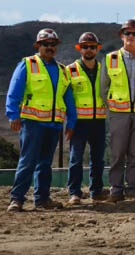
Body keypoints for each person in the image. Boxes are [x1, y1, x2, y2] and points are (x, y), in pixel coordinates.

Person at [6, 28, 77, 212]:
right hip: (32, 123)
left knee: (45, 164)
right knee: (28, 161)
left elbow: (68, 98)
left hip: (54, 125)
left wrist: (71, 122)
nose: (50, 47)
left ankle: (42, 199)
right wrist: (13, 114)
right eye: (46, 44)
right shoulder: (28, 64)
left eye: (53, 45)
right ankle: (17, 199)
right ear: (38, 46)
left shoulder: (63, 70)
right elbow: (14, 91)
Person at [101, 19, 135, 202]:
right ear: (121, 36)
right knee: (118, 152)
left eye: (134, 34)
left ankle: (132, 189)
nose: (131, 37)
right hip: (118, 113)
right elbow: (103, 88)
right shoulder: (111, 59)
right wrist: (113, 108)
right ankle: (116, 190)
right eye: (127, 33)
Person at [66, 32, 107, 205]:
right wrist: (69, 122)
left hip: (99, 120)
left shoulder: (104, 70)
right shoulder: (70, 70)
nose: (88, 50)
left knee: (98, 158)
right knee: (76, 158)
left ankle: (96, 191)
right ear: (79, 48)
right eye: (85, 46)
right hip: (79, 122)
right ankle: (74, 193)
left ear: (98, 48)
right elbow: (65, 97)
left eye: (92, 46)